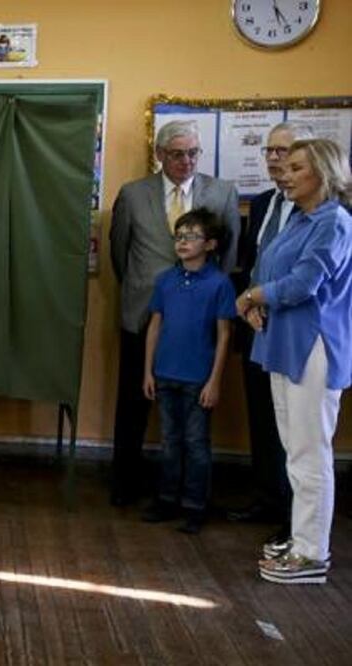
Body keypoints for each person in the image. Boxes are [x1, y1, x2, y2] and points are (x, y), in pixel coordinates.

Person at [108, 119, 240, 506]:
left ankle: (188, 494)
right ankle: (125, 484)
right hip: (144, 313)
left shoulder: (222, 192)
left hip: (199, 320)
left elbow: (229, 257)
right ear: (160, 155)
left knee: (195, 415)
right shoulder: (133, 194)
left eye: (193, 153)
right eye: (178, 154)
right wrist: (141, 289)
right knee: (133, 403)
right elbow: (120, 254)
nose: (186, 161)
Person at [238, 138, 352, 584]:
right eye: (285, 165)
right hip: (283, 342)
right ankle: (303, 537)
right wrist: (257, 296)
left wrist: (251, 296)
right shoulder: (300, 219)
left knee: (310, 452)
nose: (284, 172)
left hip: (313, 346)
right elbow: (269, 270)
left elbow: (303, 283)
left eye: (297, 167)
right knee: (293, 449)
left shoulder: (335, 222)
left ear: (324, 174)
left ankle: (311, 553)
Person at [227, 122, 314, 534]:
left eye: (286, 152)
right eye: (270, 151)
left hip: (297, 331)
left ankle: (298, 516)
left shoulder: (321, 211)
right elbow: (250, 263)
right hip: (256, 325)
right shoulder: (262, 204)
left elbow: (305, 279)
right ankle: (269, 497)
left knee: (296, 429)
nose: (276, 159)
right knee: (263, 418)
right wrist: (247, 306)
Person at [140, 209, 237, 534]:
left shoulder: (220, 284)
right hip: (165, 373)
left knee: (196, 443)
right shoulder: (165, 280)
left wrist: (214, 381)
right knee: (170, 442)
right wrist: (148, 372)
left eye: (191, 236)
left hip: (198, 379)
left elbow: (224, 335)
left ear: (210, 244)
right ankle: (167, 499)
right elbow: (155, 325)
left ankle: (195, 505)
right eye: (179, 235)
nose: (182, 242)